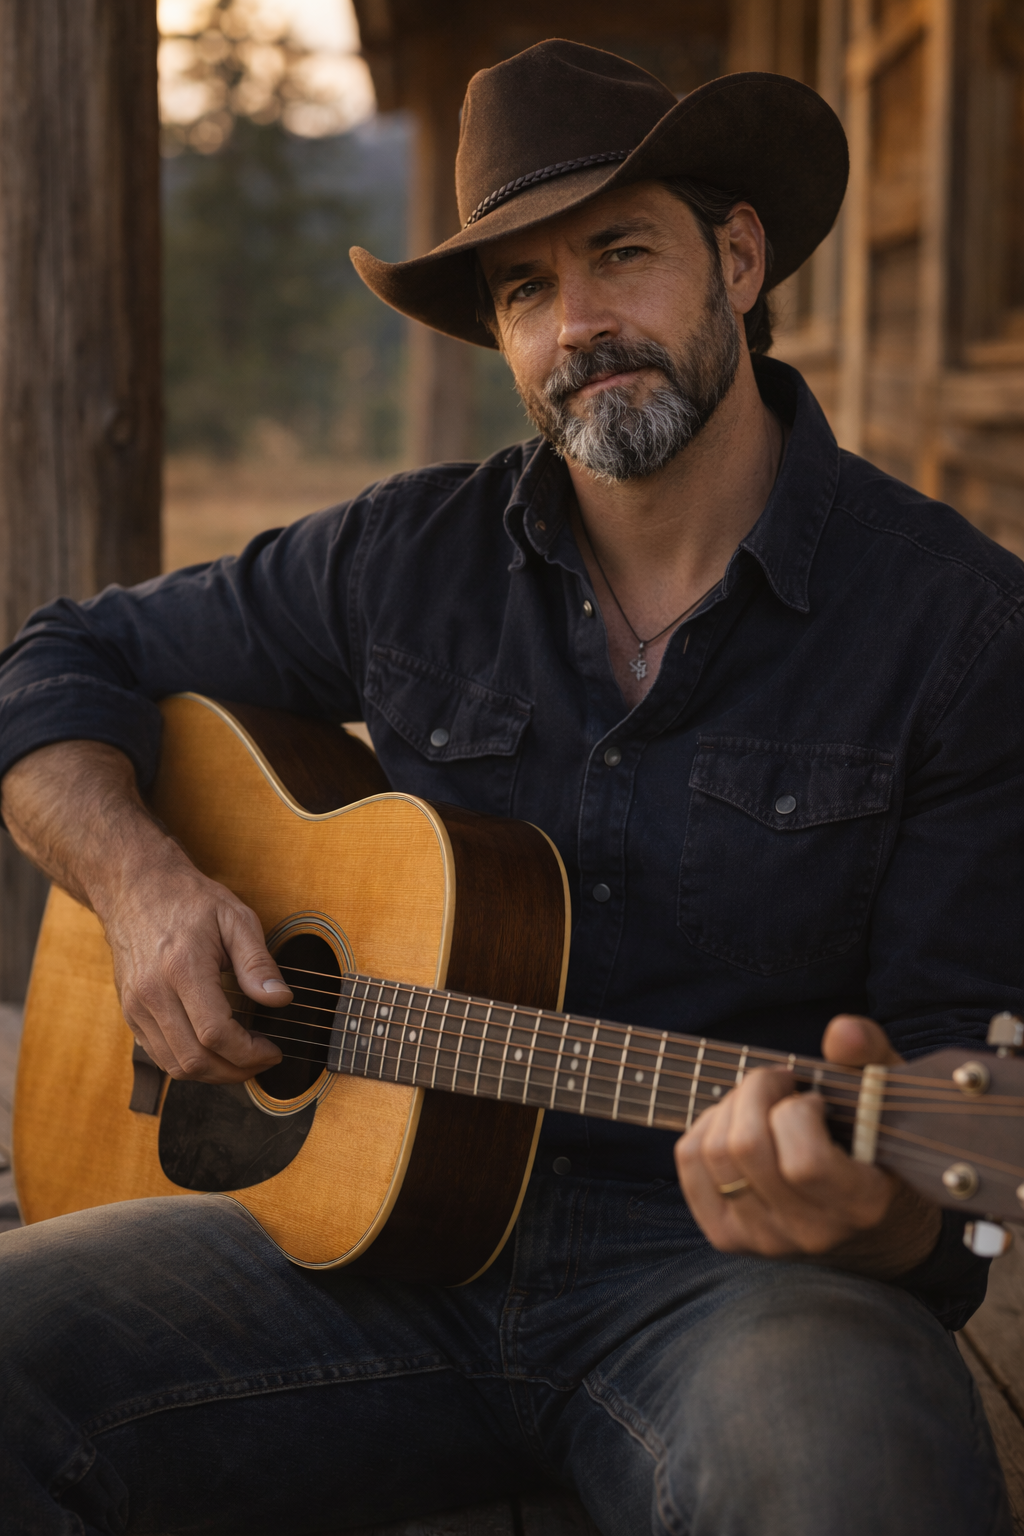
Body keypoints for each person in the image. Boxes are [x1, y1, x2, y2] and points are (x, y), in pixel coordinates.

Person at [0, 39, 1021, 1536]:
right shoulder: (407, 556)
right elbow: (56, 660)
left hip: (735, 1286)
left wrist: (865, 1213)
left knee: (858, 1490)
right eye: (529, 290)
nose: (579, 325)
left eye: (620, 253)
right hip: (349, 1253)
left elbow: (943, 1154)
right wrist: (145, 892)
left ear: (737, 260)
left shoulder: (959, 632)